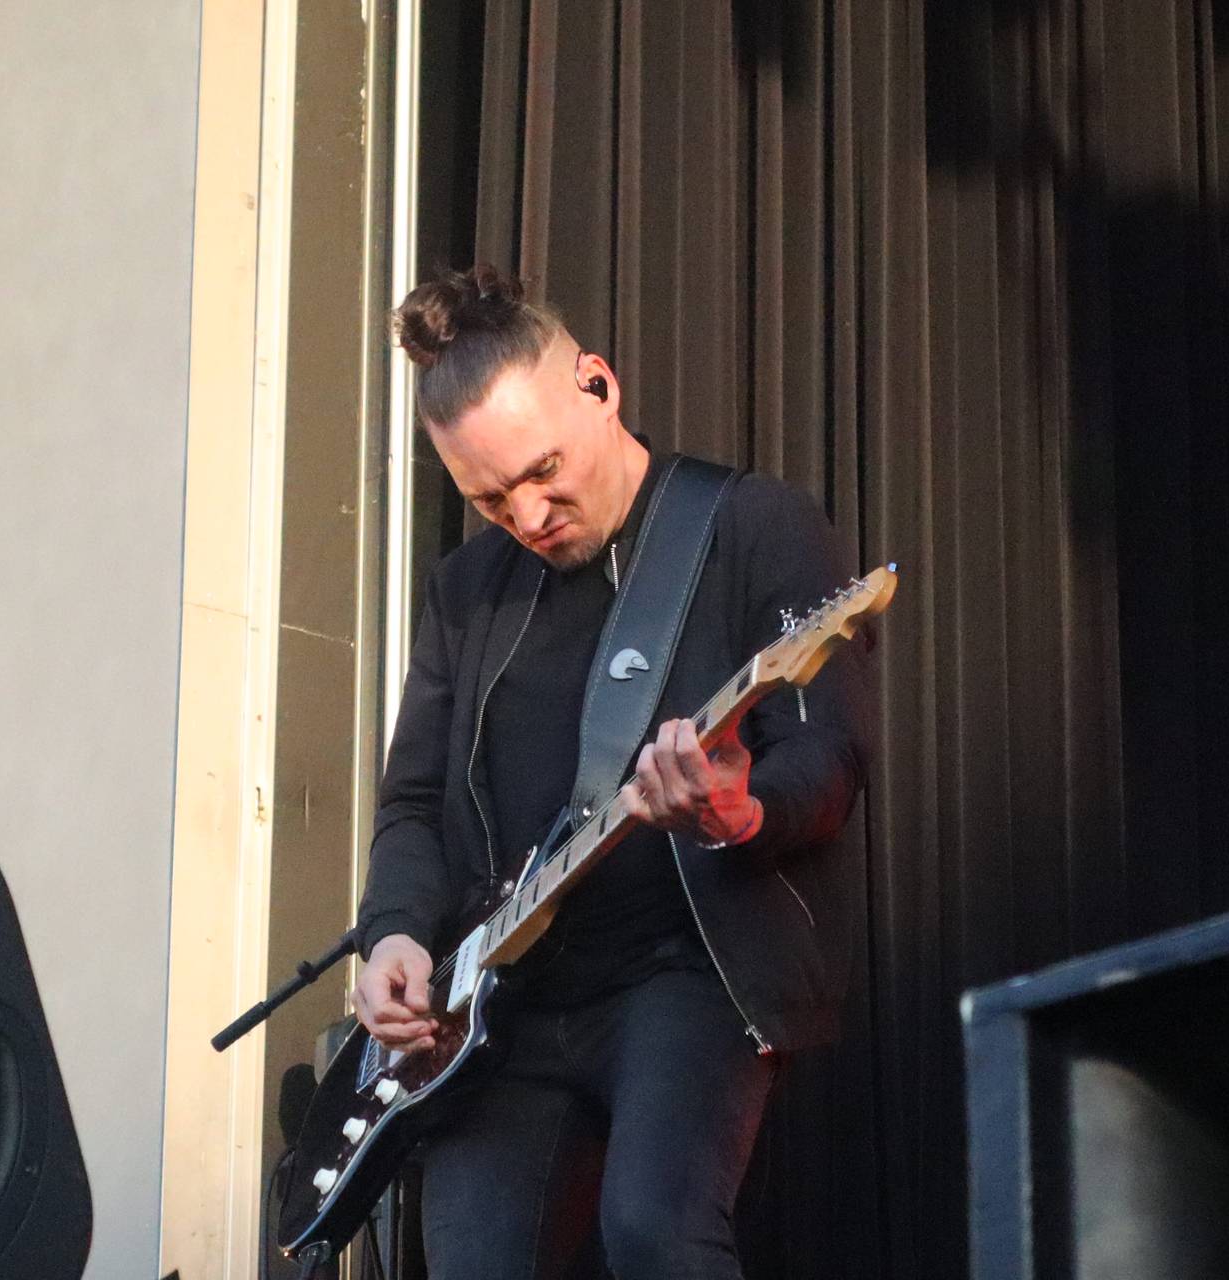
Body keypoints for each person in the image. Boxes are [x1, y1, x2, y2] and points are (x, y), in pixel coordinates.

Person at [353, 264, 867, 1279]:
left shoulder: (750, 527)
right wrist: (395, 934)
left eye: (543, 470)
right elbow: (413, 801)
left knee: (655, 1232)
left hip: (687, 970)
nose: (530, 512)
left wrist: (738, 808)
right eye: (490, 498)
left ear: (598, 381)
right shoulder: (466, 592)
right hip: (506, 999)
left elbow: (830, 756)